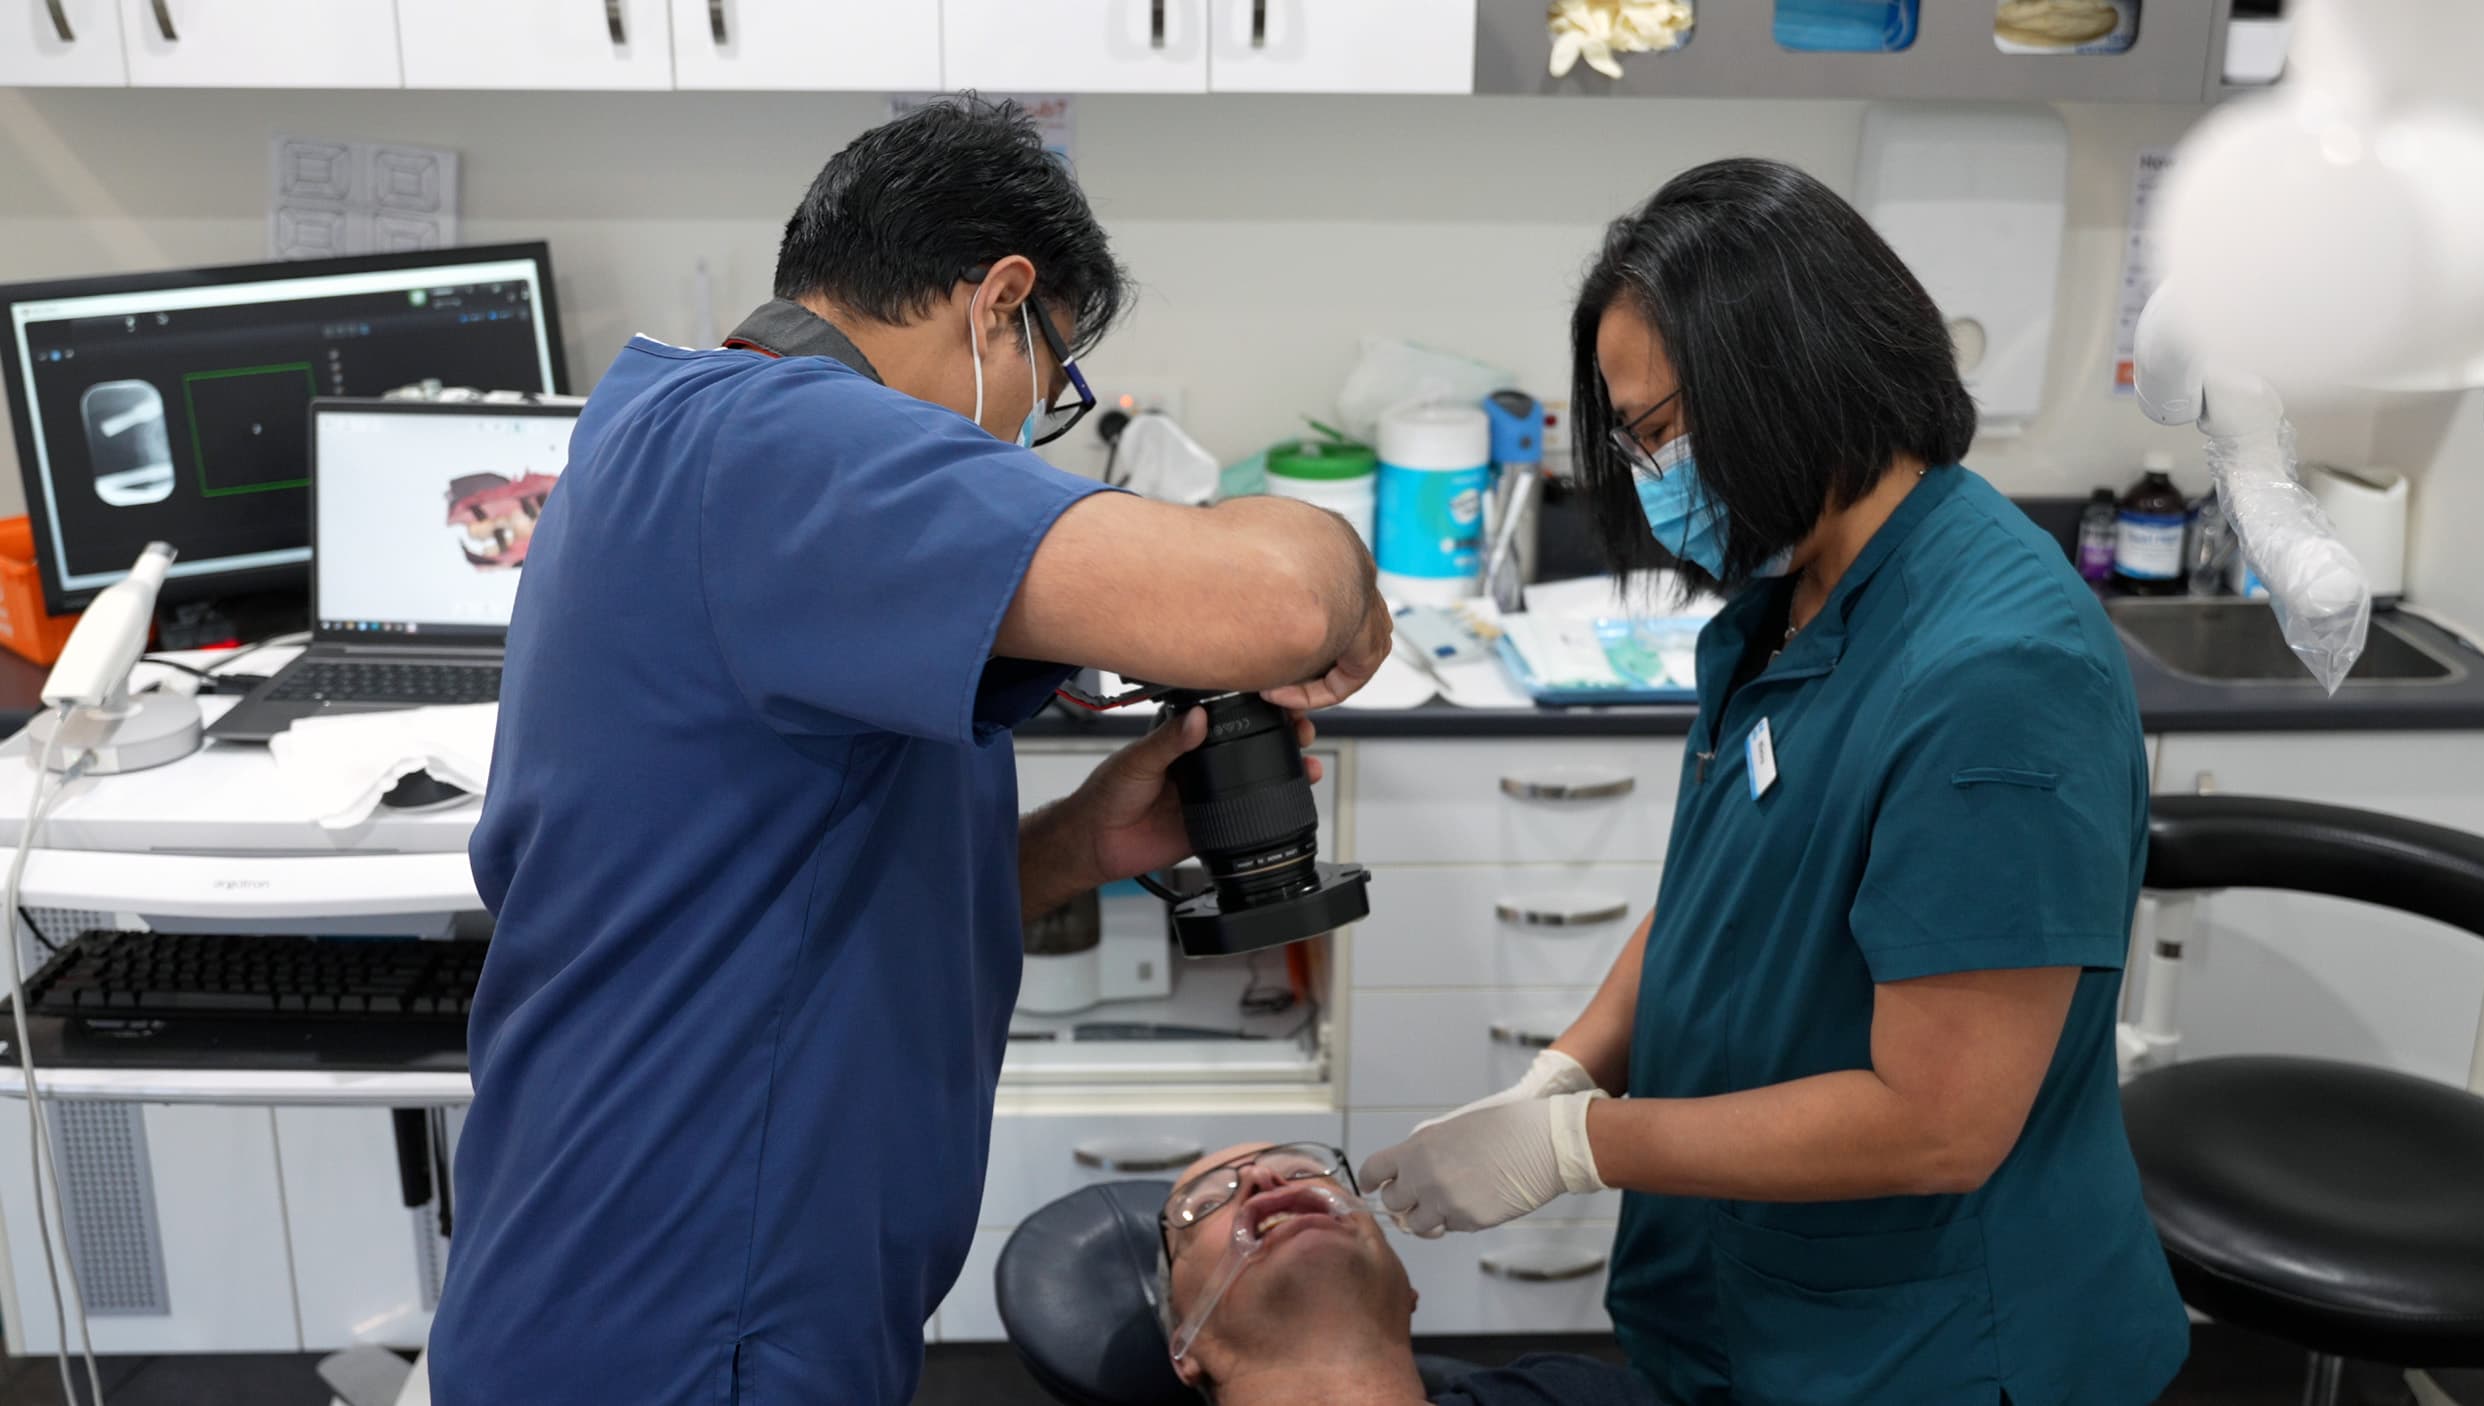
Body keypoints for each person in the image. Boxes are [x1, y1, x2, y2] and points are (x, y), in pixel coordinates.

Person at [430, 98, 1391, 1406]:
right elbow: (1271, 606)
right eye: (1049, 391)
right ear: (1000, 303)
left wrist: (1076, 845)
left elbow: (791, 898)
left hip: (688, 1283)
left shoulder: (692, 435)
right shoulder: (784, 444)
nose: (1021, 438)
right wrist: (1339, 562)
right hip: (685, 1318)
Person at [1357, 158, 2188, 1405]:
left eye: (1658, 430)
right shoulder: (1793, 599)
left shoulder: (1997, 675)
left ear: (1787, 376)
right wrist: (1562, 1071)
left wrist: (1576, 1143)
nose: (1649, 472)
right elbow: (1722, 895)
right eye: (1630, 437)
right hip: (1749, 1292)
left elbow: (1938, 1120)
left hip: (1928, 1346)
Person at [1160, 1142, 1666, 1406]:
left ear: (1407, 1289)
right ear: (1186, 1347)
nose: (1261, 1176)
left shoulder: (1569, 1394)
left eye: (1301, 1172)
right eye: (1205, 1204)